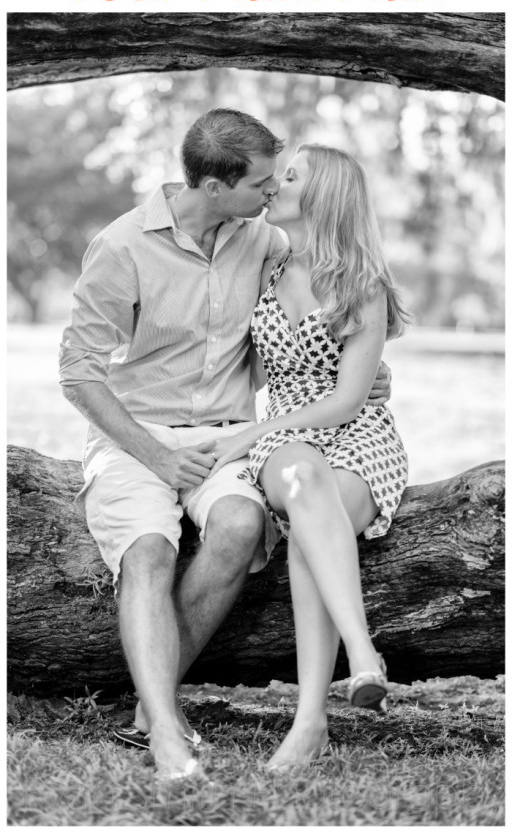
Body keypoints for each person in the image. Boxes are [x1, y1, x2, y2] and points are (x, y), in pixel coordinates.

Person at [59, 110, 391, 781]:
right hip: (139, 436)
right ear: (215, 187)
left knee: (243, 523)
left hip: (229, 438)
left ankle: (164, 706)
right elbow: (77, 376)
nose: (271, 195)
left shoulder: (260, 241)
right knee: (150, 552)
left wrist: (363, 376)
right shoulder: (122, 247)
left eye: (280, 182)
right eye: (263, 184)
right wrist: (157, 457)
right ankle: (161, 731)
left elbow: (335, 306)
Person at [209, 144, 408, 771]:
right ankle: (363, 656)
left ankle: (310, 721)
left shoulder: (362, 283)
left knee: (306, 528)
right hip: (288, 438)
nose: (273, 185)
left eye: (289, 177)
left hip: (358, 433)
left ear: (321, 196)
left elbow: (350, 400)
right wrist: (245, 432)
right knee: (299, 477)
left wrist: (379, 376)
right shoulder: (264, 263)